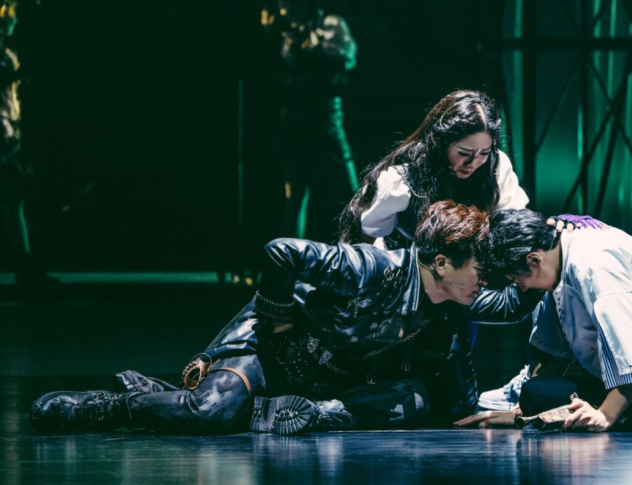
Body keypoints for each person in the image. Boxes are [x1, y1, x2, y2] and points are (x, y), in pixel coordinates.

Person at [29, 201, 544, 435]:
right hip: (272, 354)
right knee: (209, 414)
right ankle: (115, 405)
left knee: (413, 399)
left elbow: (514, 302)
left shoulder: (456, 298)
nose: (487, 281)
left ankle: (298, 415)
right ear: (442, 263)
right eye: (480, 270)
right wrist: (275, 320)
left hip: (324, 384)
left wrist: (551, 247)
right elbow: (281, 252)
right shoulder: (373, 267)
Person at [455, 209, 632, 431]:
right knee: (541, 392)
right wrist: (525, 410)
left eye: (519, 280)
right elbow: (553, 357)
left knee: (566, 405)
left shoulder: (595, 263)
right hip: (626, 378)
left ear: (534, 259)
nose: (523, 288)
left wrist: (605, 415)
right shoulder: (562, 258)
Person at [339, 89, 528, 250]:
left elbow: (513, 222)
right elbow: (365, 240)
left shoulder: (496, 166)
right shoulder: (404, 179)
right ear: (443, 144)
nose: (473, 162)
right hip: (409, 272)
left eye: (484, 152)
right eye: (464, 153)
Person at [266, 0, 359, 243]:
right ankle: (293, 257)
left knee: (348, 189)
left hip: (326, 117)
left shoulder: (330, 24)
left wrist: (314, 49)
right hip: (297, 119)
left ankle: (362, 249)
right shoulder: (291, 33)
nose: (284, 9)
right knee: (296, 193)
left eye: (288, 4)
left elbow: (345, 59)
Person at [0, 0, 58, 287]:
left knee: (13, 199)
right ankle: (26, 266)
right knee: (12, 199)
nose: (16, 20)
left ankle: (26, 265)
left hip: (8, 135)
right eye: (12, 15)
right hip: (4, 136)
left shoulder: (8, 54)